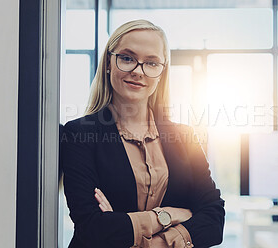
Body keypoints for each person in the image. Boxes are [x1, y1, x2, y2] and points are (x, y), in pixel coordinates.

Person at [61, 19, 225, 248]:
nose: (138, 71)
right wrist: (170, 216)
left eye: (151, 63)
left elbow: (214, 220)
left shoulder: (184, 137)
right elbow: (92, 228)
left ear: (161, 72)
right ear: (109, 62)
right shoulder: (78, 134)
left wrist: (136, 235)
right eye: (127, 58)